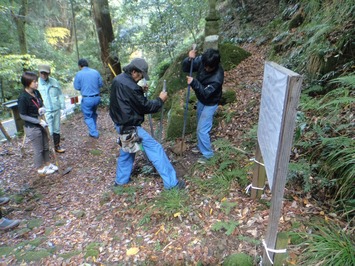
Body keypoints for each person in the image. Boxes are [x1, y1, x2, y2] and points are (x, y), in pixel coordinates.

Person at [109, 58, 185, 190]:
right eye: (140, 75)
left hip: (120, 124)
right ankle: (172, 184)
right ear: (133, 72)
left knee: (127, 151)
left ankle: (120, 183)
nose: (141, 78)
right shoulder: (132, 87)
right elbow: (146, 107)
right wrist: (160, 100)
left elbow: (127, 99)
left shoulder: (118, 80)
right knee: (156, 149)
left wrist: (140, 91)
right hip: (131, 127)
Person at [182, 48, 224, 164]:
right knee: (199, 124)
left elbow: (206, 94)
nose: (206, 68)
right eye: (205, 65)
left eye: (209, 67)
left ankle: (209, 155)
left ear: (215, 65)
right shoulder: (203, 60)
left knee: (202, 129)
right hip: (201, 100)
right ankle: (201, 146)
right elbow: (186, 68)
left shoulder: (217, 78)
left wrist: (194, 82)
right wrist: (189, 59)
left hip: (210, 102)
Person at [18, 71, 58, 175]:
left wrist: (43, 109)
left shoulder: (36, 93)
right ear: (27, 82)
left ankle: (47, 163)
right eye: (34, 82)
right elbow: (22, 115)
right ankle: (40, 168)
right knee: (38, 149)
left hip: (41, 124)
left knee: (45, 146)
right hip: (32, 127)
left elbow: (41, 104)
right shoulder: (23, 98)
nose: (37, 83)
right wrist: (37, 121)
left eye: (36, 81)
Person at [37, 64, 66, 153]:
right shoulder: (36, 84)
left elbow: (60, 94)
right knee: (48, 130)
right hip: (45, 111)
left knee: (57, 128)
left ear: (49, 73)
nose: (44, 75)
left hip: (56, 108)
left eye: (46, 73)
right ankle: (48, 149)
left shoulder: (54, 82)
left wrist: (62, 106)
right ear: (39, 73)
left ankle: (57, 146)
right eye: (42, 73)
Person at [73, 58, 103, 139]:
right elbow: (100, 84)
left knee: (88, 116)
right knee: (93, 113)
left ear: (80, 66)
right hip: (97, 98)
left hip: (87, 98)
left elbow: (77, 87)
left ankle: (94, 133)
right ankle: (93, 129)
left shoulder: (79, 74)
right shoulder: (95, 72)